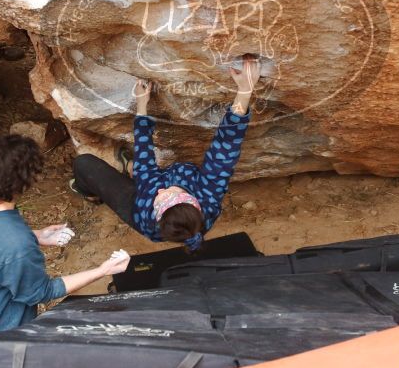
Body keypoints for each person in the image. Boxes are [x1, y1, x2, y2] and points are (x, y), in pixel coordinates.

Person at [0, 134, 130, 350]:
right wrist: (102, 270)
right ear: (22, 183)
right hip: (0, 334)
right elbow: (41, 292)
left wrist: (37, 236)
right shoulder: (17, 245)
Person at [70, 55, 260, 251]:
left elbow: (146, 162)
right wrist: (245, 91)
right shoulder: (208, 193)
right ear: (194, 201)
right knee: (141, 174)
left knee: (84, 164)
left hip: (135, 206)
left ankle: (89, 193)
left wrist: (142, 107)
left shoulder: (147, 205)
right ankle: (130, 168)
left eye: (159, 199)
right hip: (160, 189)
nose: (160, 191)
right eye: (167, 193)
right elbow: (226, 145)